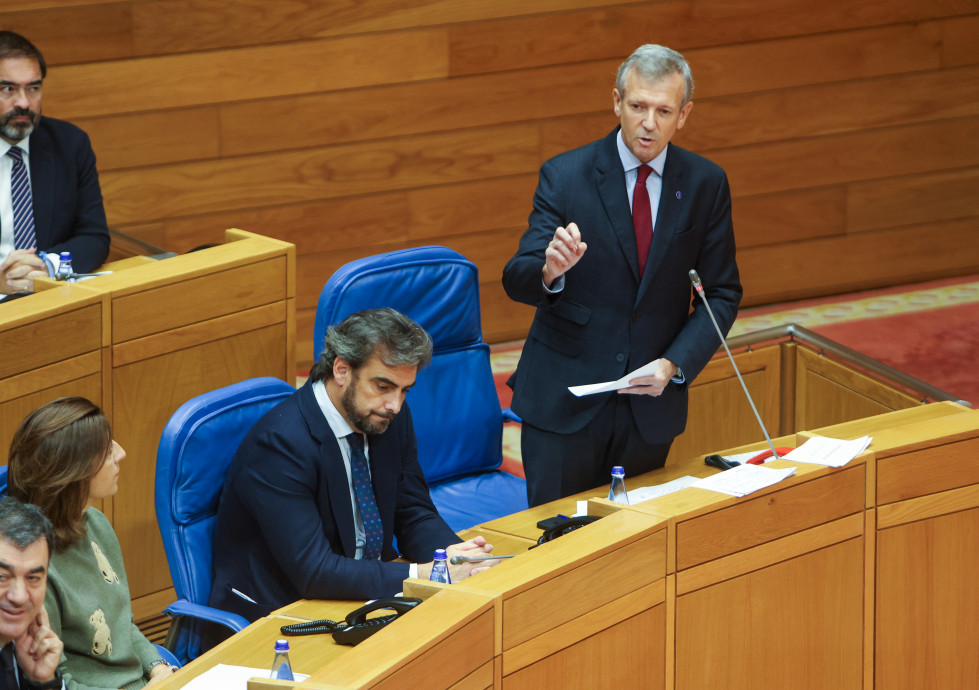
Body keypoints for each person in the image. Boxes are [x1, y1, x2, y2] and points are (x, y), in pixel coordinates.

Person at [502, 44, 743, 506]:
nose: (648, 122)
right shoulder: (566, 175)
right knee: (558, 546)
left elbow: (721, 293)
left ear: (684, 114)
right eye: (637, 106)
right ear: (617, 102)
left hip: (648, 410)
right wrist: (550, 272)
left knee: (633, 554)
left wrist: (675, 366)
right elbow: (517, 276)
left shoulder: (705, 183)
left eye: (663, 110)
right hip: (564, 406)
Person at [209, 307, 499, 621]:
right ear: (342, 371)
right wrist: (425, 574)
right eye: (383, 387)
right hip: (287, 611)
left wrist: (460, 560)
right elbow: (314, 571)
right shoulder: (280, 445)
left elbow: (413, 512)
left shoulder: (387, 417)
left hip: (363, 591)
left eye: (404, 391)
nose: (395, 405)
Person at [7, 398, 176, 689]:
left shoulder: (95, 522)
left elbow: (122, 622)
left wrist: (157, 666)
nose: (121, 453)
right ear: (74, 472)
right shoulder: (32, 570)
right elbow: (55, 681)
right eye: (107, 449)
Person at [0, 31, 110, 298]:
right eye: (8, 89)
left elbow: (94, 237)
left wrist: (48, 266)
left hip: (50, 300)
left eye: (33, 88)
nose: (24, 103)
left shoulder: (70, 144)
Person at [0, 497, 64, 690]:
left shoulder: (25, 648)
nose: (19, 596)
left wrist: (44, 682)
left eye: (33, 578)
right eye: (2, 576)